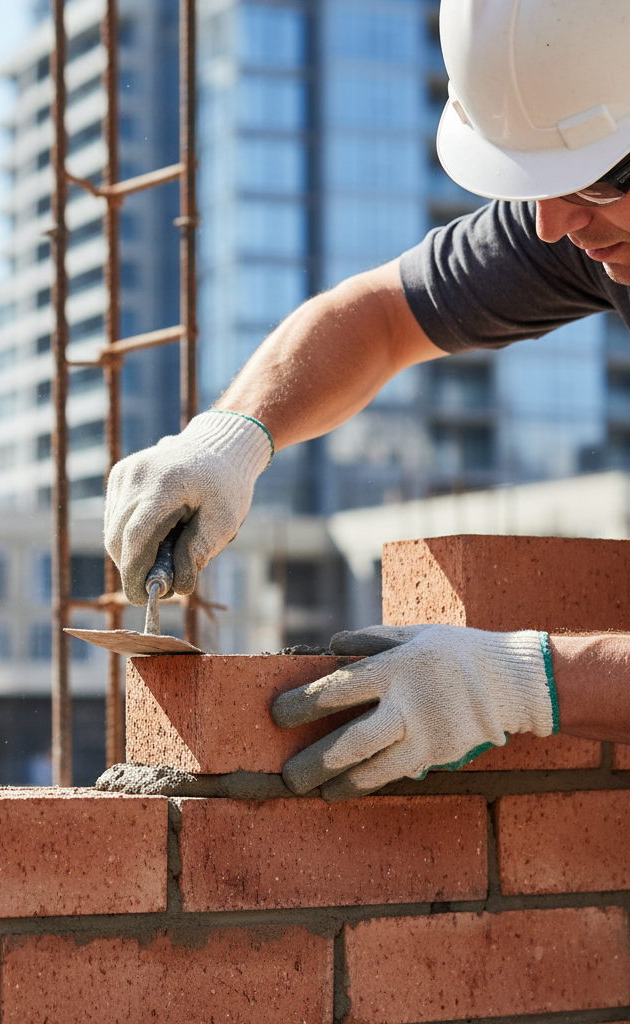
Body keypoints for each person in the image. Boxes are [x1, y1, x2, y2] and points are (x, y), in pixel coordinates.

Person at [103, 0, 630, 801]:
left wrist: (522, 684)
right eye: (543, 186)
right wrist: (230, 438)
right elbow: (380, 317)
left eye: (590, 184)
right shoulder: (588, 221)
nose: (556, 225)